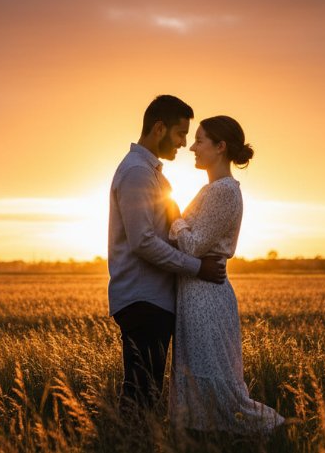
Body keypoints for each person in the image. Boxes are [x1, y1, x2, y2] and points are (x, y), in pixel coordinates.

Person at [108, 95, 228, 418]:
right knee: (141, 396)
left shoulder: (153, 174)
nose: (184, 144)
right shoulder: (136, 173)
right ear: (159, 128)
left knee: (144, 393)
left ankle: (132, 442)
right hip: (143, 300)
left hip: (150, 300)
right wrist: (197, 267)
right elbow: (144, 241)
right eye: (180, 134)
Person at [168, 115, 285, 436]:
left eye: (200, 140)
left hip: (206, 294)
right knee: (199, 372)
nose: (192, 146)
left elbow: (191, 246)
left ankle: (273, 430)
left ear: (220, 147)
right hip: (196, 292)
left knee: (213, 374)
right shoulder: (213, 189)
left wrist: (174, 216)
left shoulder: (223, 191)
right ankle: (206, 438)